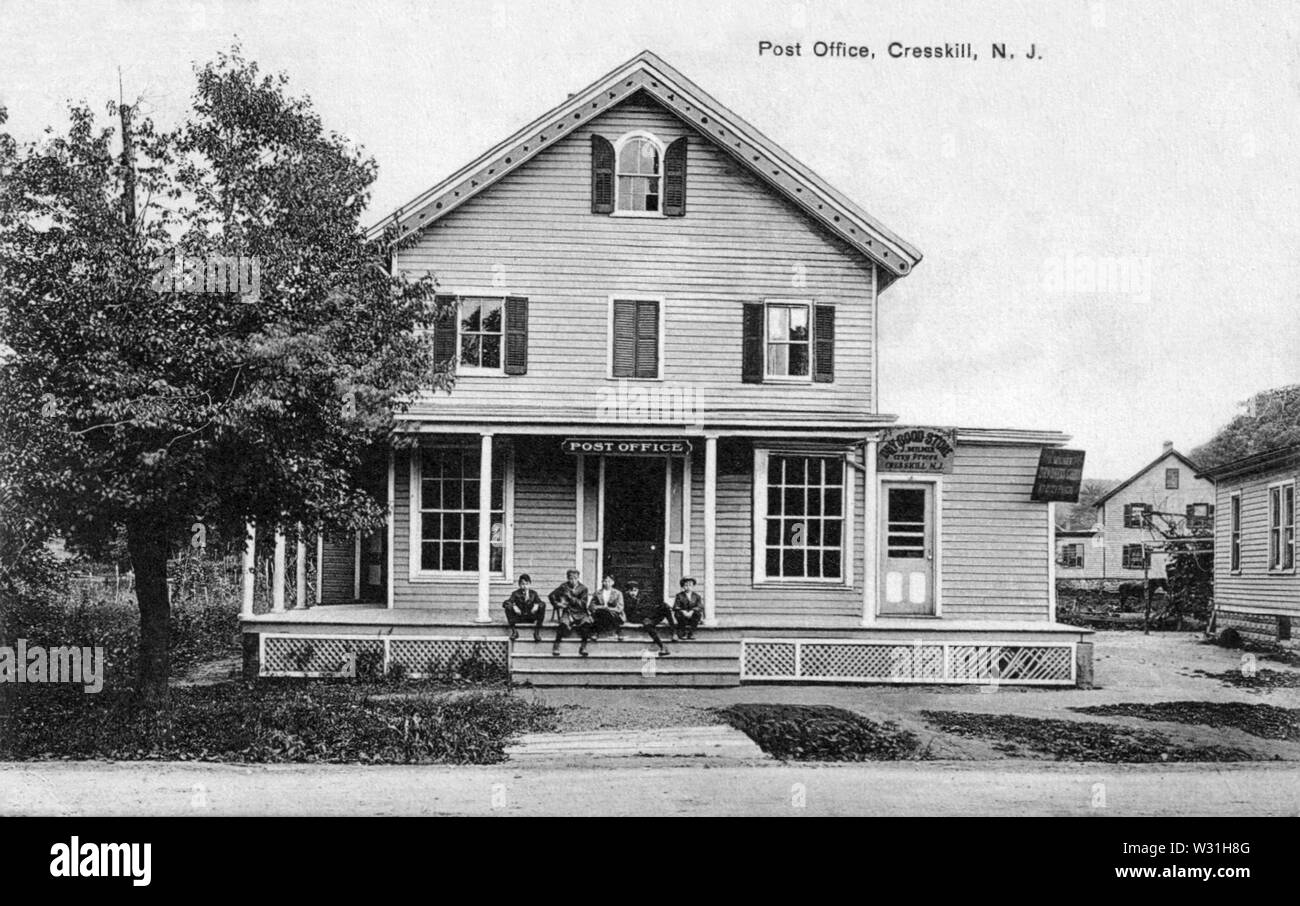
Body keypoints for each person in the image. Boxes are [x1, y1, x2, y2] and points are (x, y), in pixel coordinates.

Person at [549, 568, 593, 656]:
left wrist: (570, 598)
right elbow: (551, 595)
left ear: (578, 578)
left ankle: (583, 646)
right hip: (568, 611)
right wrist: (558, 604)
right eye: (570, 578)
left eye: (575, 578)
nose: (573, 581)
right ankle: (556, 645)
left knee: (586, 624)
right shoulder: (564, 586)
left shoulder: (583, 588)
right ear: (567, 578)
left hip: (581, 612)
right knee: (563, 624)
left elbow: (583, 604)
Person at [623, 579, 672, 656]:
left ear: (638, 590)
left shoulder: (643, 597)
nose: (633, 593)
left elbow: (650, 606)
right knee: (647, 624)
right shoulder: (626, 599)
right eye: (631, 591)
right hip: (637, 618)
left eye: (635, 590)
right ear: (628, 591)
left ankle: (674, 631)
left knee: (665, 607)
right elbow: (630, 613)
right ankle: (662, 646)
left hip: (648, 616)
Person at [502, 573, 545, 642]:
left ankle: (536, 632)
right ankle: (514, 632)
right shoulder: (515, 593)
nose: (525, 586)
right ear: (519, 585)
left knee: (542, 606)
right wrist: (514, 606)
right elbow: (505, 603)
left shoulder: (533, 593)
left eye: (526, 584)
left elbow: (541, 603)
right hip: (519, 617)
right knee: (508, 607)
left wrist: (537, 605)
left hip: (531, 616)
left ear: (530, 584)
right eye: (522, 584)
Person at [591, 574, 625, 641]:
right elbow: (591, 606)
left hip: (614, 614)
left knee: (606, 613)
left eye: (609, 581)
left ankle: (618, 631)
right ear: (602, 582)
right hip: (600, 613)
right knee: (601, 613)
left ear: (613, 582)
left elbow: (620, 607)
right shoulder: (597, 593)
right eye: (605, 581)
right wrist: (601, 607)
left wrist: (609, 609)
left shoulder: (618, 593)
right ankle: (595, 633)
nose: (607, 583)